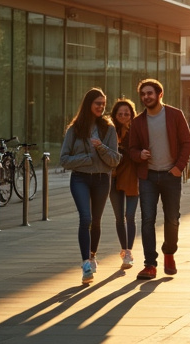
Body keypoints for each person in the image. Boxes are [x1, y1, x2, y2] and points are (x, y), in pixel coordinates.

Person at [129, 79, 190, 280]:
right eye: (143, 94)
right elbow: (131, 149)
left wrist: (178, 168)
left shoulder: (174, 115)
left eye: (150, 93)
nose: (146, 97)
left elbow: (186, 142)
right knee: (147, 219)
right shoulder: (138, 121)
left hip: (170, 175)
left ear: (159, 94)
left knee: (172, 218)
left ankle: (169, 253)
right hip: (147, 176)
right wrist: (139, 155)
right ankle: (150, 264)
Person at [60, 88, 121, 284]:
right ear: (88, 104)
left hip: (103, 179)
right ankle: (86, 262)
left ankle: (93, 254)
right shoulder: (75, 129)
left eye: (103, 104)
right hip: (80, 179)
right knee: (85, 217)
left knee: (96, 220)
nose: (101, 107)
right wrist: (86, 159)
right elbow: (64, 159)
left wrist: (100, 147)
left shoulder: (108, 128)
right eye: (98, 103)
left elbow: (115, 160)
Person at [108, 98, 138, 272]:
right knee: (119, 217)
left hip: (132, 177)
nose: (123, 116)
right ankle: (124, 248)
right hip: (113, 177)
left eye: (126, 113)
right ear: (115, 114)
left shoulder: (136, 130)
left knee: (131, 216)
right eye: (120, 113)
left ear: (131, 114)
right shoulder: (109, 131)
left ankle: (129, 251)